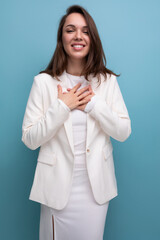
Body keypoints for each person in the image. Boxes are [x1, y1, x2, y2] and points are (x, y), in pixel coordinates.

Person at [21, 4, 131, 240]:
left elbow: (123, 131)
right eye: (70, 30)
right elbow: (30, 139)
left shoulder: (107, 82)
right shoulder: (43, 83)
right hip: (56, 190)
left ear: (92, 38)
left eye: (85, 30)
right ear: (62, 37)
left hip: (95, 191)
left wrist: (93, 105)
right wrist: (63, 106)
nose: (78, 36)